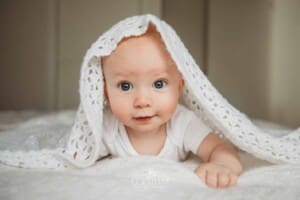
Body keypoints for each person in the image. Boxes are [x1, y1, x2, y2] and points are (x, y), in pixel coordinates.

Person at [100, 24, 243, 188]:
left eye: (159, 84)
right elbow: (75, 154)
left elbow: (219, 147)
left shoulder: (182, 123)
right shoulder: (107, 126)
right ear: (106, 93)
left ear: (179, 86)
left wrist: (222, 165)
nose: (142, 101)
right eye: (125, 86)